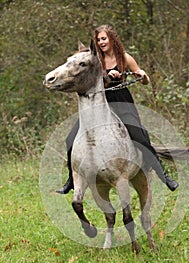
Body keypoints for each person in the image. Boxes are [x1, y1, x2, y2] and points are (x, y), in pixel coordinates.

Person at [57, 24, 178, 194]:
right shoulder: (96, 59)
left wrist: (141, 75)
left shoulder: (125, 58)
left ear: (112, 39)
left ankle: (164, 175)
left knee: (140, 135)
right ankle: (71, 179)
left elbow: (144, 80)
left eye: (104, 39)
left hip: (121, 102)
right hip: (99, 103)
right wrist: (107, 75)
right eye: (98, 39)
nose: (101, 42)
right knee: (70, 137)